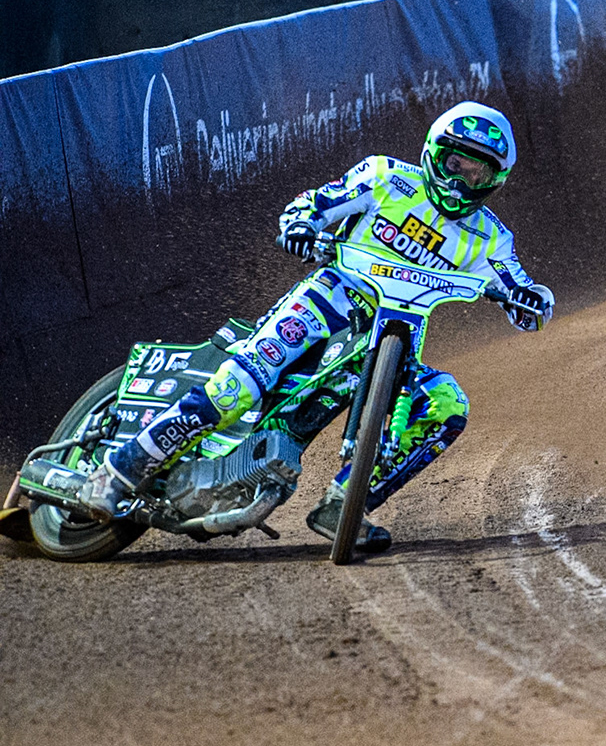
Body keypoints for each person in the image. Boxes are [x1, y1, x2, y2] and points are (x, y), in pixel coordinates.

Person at [75, 101, 555, 552]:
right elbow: (313, 205)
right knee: (236, 386)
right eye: (456, 163)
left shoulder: (492, 238)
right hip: (330, 298)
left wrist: (533, 301)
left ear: (495, 180)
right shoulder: (385, 177)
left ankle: (345, 504)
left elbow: (522, 290)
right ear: (434, 154)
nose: (463, 179)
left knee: (447, 405)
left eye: (479, 172)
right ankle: (116, 472)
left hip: (396, 332)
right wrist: (303, 225)